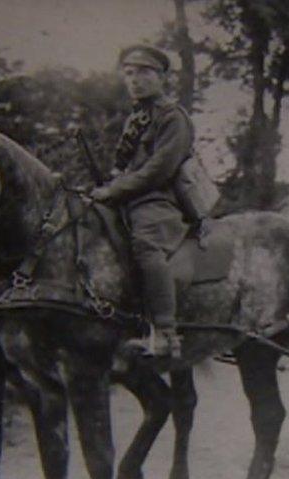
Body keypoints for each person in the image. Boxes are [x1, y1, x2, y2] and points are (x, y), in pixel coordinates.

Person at [90, 44, 192, 358]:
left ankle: (165, 332)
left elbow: (158, 170)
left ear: (162, 77)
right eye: (130, 73)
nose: (135, 80)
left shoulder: (172, 117)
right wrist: (106, 185)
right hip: (130, 198)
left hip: (160, 200)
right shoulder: (137, 119)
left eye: (145, 72)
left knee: (147, 244)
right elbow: (124, 166)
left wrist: (113, 191)